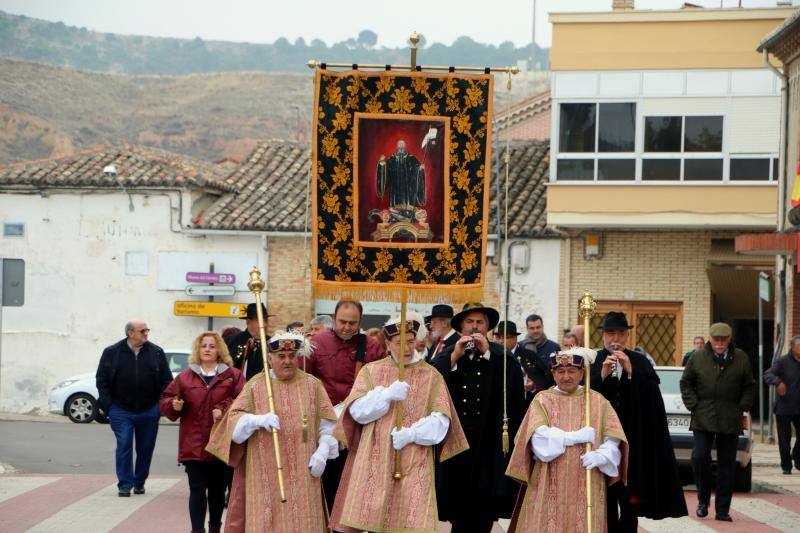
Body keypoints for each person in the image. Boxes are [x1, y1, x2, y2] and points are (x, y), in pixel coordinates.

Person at [330, 313, 468, 533]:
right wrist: (385, 396)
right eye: (399, 343)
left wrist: (412, 434)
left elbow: (442, 421)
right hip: (374, 457)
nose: (406, 348)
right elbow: (356, 412)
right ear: (387, 344)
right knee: (373, 520)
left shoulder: (431, 375)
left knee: (409, 522)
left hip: (415, 457)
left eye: (410, 342)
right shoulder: (371, 371)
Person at [206, 331, 338, 532]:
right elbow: (232, 425)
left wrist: (323, 451)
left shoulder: (313, 385)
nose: (287, 361)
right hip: (264, 475)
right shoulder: (256, 385)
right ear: (269, 359)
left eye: (292, 356)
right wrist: (256, 420)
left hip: (304, 475)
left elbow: (329, 426)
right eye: (281, 356)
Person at [506, 348, 628, 532]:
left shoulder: (597, 401)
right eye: (560, 372)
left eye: (572, 371)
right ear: (553, 373)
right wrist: (574, 437)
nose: (566, 377)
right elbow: (538, 439)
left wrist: (602, 456)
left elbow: (613, 438)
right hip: (548, 479)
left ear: (582, 373)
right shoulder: (542, 400)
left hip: (588, 479)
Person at [431, 303, 525, 532]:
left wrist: (487, 355)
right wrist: (455, 355)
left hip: (488, 443)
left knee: (483, 508)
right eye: (470, 322)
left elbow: (511, 389)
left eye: (479, 322)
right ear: (461, 326)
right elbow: (432, 381)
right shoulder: (449, 353)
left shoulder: (501, 357)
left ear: (488, 328)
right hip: (456, 441)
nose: (474, 327)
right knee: (458, 505)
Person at [590, 311, 687, 531]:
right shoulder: (594, 361)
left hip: (633, 442)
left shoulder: (640, 361)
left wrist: (631, 372)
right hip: (601, 440)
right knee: (604, 500)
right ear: (603, 335)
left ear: (627, 336)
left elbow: (651, 399)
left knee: (629, 501)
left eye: (621, 334)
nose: (616, 339)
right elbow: (585, 397)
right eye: (611, 333)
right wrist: (601, 375)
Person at [160, 332, 245, 533]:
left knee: (217, 491)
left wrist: (224, 408)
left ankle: (215, 527)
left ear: (219, 350)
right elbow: (166, 400)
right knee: (197, 489)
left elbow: (244, 400)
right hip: (193, 445)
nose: (207, 349)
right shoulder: (185, 377)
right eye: (203, 346)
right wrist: (173, 405)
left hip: (220, 444)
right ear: (198, 350)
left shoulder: (233, 375)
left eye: (212, 346)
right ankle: (197, 530)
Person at [305, 299, 385, 509]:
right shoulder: (317, 343)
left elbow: (382, 383)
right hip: (325, 426)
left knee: (354, 485)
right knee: (325, 484)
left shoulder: (372, 346)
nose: (347, 327)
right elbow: (303, 380)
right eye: (342, 322)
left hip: (358, 426)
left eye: (353, 323)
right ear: (333, 318)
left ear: (360, 321)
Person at [681, 323, 755, 522]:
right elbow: (686, 382)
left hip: (730, 416)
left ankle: (722, 510)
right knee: (700, 457)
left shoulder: (741, 358)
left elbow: (749, 385)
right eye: (716, 340)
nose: (720, 344)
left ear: (729, 339)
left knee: (726, 465)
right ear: (710, 339)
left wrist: (743, 406)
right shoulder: (697, 357)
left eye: (724, 340)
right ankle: (703, 500)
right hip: (703, 416)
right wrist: (693, 405)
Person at [96, 320, 173, 497]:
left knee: (146, 448)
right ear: (130, 333)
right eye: (142, 331)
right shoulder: (112, 352)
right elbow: (102, 380)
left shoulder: (156, 352)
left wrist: (159, 406)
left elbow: (167, 381)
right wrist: (109, 406)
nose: (146, 333)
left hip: (149, 409)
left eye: (147, 330)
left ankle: (139, 482)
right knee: (124, 444)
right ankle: (124, 484)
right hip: (120, 409)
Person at [494, 320, 553, 404]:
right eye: (498, 337)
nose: (501, 341)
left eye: (505, 337)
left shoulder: (529, 356)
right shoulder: (493, 356)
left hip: (525, 404)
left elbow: (544, 379)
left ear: (515, 338)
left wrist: (533, 387)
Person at [765, 336, 800, 474]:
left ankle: (797, 456)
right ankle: (786, 466)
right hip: (784, 408)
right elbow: (768, 374)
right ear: (793, 347)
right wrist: (778, 382)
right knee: (784, 440)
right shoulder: (782, 361)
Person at [225, 303, 273, 381]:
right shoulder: (233, 340)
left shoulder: (271, 342)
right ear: (248, 322)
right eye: (259, 321)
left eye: (265, 320)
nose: (264, 325)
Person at [376, 139, 426, 213]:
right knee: (395, 207)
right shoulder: (392, 158)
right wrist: (381, 162)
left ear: (405, 146)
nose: (401, 146)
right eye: (400, 144)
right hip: (395, 186)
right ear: (397, 146)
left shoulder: (411, 157)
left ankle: (408, 213)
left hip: (408, 186)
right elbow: (385, 168)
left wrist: (420, 168)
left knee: (409, 207)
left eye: (402, 144)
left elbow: (417, 167)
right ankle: (396, 214)